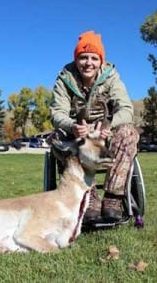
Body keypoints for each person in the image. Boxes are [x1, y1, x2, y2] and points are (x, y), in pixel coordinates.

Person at [50, 30, 139, 223]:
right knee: (57, 137)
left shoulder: (111, 77)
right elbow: (57, 113)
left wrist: (108, 124)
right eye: (83, 57)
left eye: (93, 58)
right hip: (77, 135)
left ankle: (113, 198)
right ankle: (89, 197)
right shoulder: (65, 79)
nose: (88, 63)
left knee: (128, 132)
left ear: (100, 61)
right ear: (76, 59)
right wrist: (72, 125)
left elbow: (126, 109)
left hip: (105, 135)